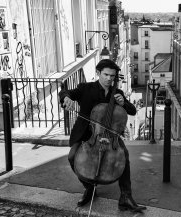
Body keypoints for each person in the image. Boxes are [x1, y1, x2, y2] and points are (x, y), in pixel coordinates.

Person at [59, 59, 146, 212]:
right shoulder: (85, 88)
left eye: (112, 76)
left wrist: (123, 103)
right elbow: (66, 92)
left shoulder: (117, 93)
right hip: (87, 134)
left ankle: (126, 197)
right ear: (98, 73)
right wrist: (66, 98)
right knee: (72, 157)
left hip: (110, 135)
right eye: (106, 75)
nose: (109, 79)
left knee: (123, 157)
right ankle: (89, 187)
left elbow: (132, 110)